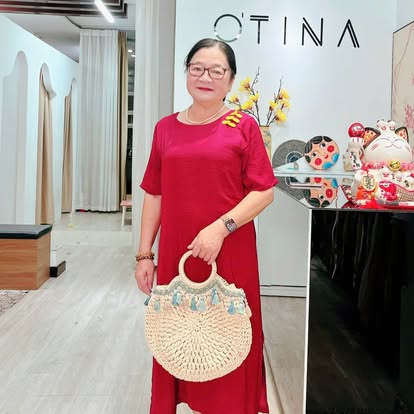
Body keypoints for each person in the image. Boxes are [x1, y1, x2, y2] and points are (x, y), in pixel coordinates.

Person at [135, 38, 277, 414]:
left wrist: (220, 228)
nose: (205, 77)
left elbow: (264, 192)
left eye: (217, 70)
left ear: (230, 80)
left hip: (230, 249)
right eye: (197, 68)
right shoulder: (166, 128)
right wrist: (144, 254)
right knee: (178, 331)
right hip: (177, 251)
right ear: (187, 73)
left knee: (230, 331)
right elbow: (154, 194)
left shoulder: (242, 125)